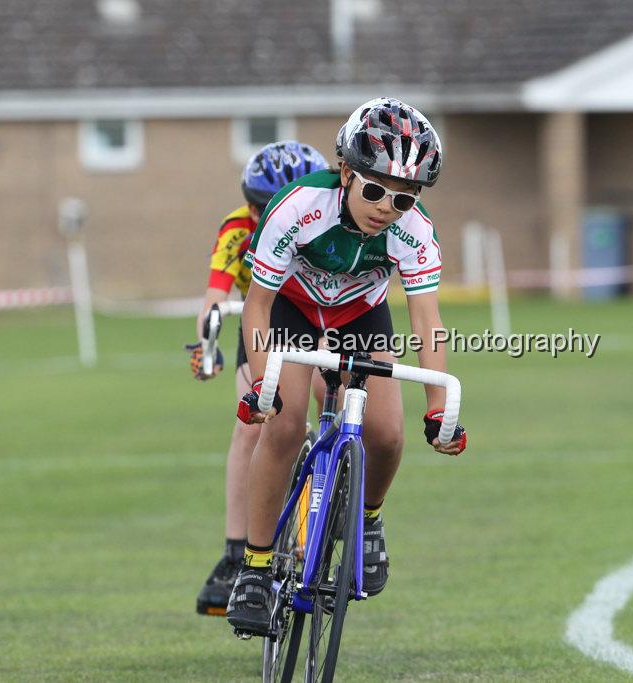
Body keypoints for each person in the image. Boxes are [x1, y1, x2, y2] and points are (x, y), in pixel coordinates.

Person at [226, 98, 467, 636]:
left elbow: (427, 320)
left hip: (362, 313)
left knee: (387, 434)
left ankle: (370, 520)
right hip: (292, 309)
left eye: (404, 199)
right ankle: (256, 568)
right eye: (375, 189)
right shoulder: (296, 206)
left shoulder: (414, 232)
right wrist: (265, 384)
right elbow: (257, 306)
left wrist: (438, 410)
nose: (387, 207)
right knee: (284, 425)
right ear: (346, 174)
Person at [189, 140, 329, 616]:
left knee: (327, 393)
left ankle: (335, 503)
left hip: (322, 319)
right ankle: (235, 552)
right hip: (266, 323)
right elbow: (215, 295)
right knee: (252, 422)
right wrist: (206, 346)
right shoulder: (237, 228)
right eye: (257, 206)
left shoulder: (323, 218)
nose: (265, 215)